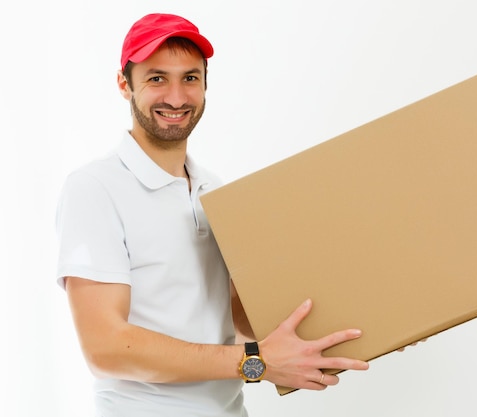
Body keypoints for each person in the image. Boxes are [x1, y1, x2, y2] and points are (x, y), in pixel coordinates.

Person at [55, 13, 369, 417]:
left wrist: (374, 321)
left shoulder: (215, 191)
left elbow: (245, 315)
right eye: (156, 78)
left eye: (190, 78)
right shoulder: (95, 188)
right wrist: (255, 361)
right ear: (123, 84)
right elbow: (106, 349)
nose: (176, 96)